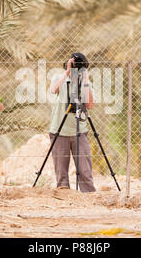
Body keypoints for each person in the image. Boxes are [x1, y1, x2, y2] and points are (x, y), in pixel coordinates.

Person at [48, 53, 96, 192]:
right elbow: (53, 90)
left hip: (79, 130)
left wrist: (85, 78)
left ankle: (88, 193)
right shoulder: (58, 78)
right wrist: (67, 72)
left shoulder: (85, 83)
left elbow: (90, 104)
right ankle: (63, 193)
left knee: (85, 169)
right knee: (61, 172)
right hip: (59, 129)